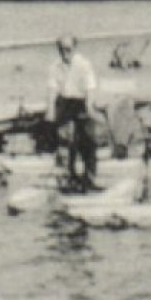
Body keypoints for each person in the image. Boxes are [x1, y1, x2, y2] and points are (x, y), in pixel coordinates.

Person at [46, 35, 99, 190]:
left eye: (68, 49)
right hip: (65, 103)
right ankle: (70, 176)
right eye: (62, 49)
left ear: (74, 48)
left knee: (87, 140)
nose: (65, 52)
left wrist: (89, 106)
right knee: (67, 140)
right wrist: (50, 109)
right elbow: (52, 88)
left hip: (81, 102)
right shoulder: (55, 66)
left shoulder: (84, 64)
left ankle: (89, 178)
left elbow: (91, 87)